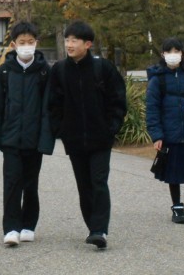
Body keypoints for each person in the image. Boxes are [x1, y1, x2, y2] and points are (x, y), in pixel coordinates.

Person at [40, 21, 127, 250]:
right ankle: (92, 227)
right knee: (84, 185)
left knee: (98, 182)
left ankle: (100, 230)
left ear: (87, 44)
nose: (69, 44)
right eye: (67, 40)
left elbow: (118, 100)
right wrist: (61, 129)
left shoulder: (103, 68)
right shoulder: (59, 70)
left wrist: (112, 128)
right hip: (74, 139)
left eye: (74, 40)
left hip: (101, 139)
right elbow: (53, 104)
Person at [0, 21, 50, 247]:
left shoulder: (44, 71)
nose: (26, 46)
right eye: (22, 42)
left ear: (36, 43)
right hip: (10, 139)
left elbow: (48, 109)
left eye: (30, 42)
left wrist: (46, 140)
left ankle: (28, 225)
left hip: (34, 140)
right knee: (12, 184)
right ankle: (11, 228)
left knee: (31, 184)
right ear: (13, 45)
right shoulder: (3, 72)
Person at [146, 37, 184, 224]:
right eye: (169, 51)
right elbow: (152, 110)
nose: (173, 55)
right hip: (169, 135)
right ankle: (177, 206)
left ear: (182, 54)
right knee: (173, 173)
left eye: (176, 51)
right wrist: (157, 135)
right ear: (163, 54)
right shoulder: (157, 81)